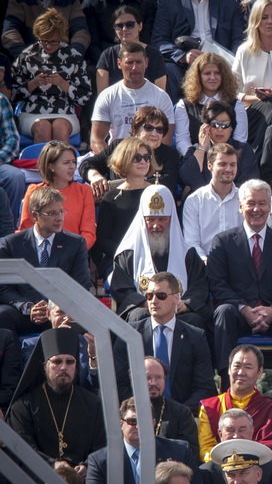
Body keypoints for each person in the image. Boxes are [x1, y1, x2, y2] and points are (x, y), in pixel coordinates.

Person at [207, 179, 272, 373]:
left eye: (262, 203)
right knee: (223, 312)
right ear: (240, 207)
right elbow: (218, 284)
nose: (257, 209)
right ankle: (224, 384)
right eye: (251, 203)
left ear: (270, 206)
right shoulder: (223, 241)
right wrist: (244, 309)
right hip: (238, 314)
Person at [112, 272, 217, 409]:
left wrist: (179, 413)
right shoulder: (129, 335)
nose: (153, 301)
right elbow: (118, 383)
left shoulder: (195, 337)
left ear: (176, 298)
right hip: (138, 415)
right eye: (149, 296)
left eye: (160, 296)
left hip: (183, 416)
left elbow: (204, 386)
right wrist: (140, 409)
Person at [6, 328, 104, 473]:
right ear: (45, 365)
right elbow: (21, 447)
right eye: (57, 361)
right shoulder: (23, 405)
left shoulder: (92, 404)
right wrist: (52, 465)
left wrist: (87, 466)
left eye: (70, 362)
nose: (64, 367)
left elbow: (101, 445)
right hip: (38, 483)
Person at [110, 185, 210, 327]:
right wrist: (147, 303)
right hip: (145, 310)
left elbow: (199, 285)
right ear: (143, 219)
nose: (156, 225)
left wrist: (185, 304)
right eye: (151, 219)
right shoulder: (127, 253)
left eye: (162, 219)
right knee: (138, 316)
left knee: (194, 321)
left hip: (179, 313)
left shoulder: (187, 253)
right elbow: (121, 288)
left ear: (171, 218)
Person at [84, 396, 199, 484]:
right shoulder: (100, 461)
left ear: (154, 423)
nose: (138, 426)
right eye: (133, 421)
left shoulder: (179, 451)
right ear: (121, 423)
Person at [0, 187, 91, 336]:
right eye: (52, 213)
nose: (60, 218)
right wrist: (27, 307)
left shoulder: (76, 243)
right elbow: (4, 288)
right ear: (35, 216)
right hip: (25, 312)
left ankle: (70, 359)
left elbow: (81, 284)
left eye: (62, 211)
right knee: (3, 315)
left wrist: (54, 308)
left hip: (62, 311)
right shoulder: (11, 243)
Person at [151, 0, 245, 101]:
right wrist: (183, 56)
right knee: (169, 69)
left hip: (221, 60)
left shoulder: (230, 1)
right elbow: (159, 42)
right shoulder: (168, 3)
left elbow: (238, 39)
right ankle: (175, 113)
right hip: (186, 62)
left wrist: (231, 60)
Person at [11, 9, 91, 144]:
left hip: (65, 112)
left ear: (61, 37)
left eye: (54, 41)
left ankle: (62, 163)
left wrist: (63, 84)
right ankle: (42, 165)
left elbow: (84, 97)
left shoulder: (74, 57)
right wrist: (33, 84)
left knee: (60, 127)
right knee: (43, 128)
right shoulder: (27, 56)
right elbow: (12, 93)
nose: (48, 46)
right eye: (44, 41)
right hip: (33, 111)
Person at [89, 137, 161, 276]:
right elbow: (103, 239)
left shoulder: (158, 194)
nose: (143, 162)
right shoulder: (111, 197)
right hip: (119, 258)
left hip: (153, 258)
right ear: (125, 159)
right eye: (137, 158)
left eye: (147, 157)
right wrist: (128, 253)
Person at [198, 344, 272, 462]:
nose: (241, 372)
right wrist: (227, 464)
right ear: (228, 369)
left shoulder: (269, 408)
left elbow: (269, 447)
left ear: (259, 372)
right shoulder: (210, 406)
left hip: (255, 471)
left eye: (248, 367)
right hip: (218, 470)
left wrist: (244, 466)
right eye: (236, 366)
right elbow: (206, 449)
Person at [90, 42, 175, 155]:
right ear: (119, 64)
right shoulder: (107, 95)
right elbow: (97, 140)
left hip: (150, 160)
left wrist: (144, 162)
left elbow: (165, 140)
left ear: (146, 62)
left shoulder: (161, 97)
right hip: (117, 158)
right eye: (129, 62)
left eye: (138, 62)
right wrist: (114, 163)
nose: (134, 67)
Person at [81, 105, 179, 200]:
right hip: (116, 203)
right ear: (136, 129)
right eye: (148, 128)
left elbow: (165, 184)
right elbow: (86, 164)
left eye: (159, 130)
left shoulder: (170, 154)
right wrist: (95, 176)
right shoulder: (118, 146)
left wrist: (110, 186)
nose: (154, 133)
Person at [18, 141, 95, 250]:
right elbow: (26, 230)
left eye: (73, 162)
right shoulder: (34, 191)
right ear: (51, 166)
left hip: (73, 255)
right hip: (40, 254)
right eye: (66, 163)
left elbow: (88, 233)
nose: (72, 166)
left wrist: (73, 252)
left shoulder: (84, 191)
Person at [178, 100, 259, 194]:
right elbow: (186, 177)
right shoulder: (195, 150)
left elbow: (249, 184)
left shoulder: (243, 150)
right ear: (206, 127)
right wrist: (202, 148)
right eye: (215, 124)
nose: (220, 129)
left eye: (225, 125)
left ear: (232, 127)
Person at [175, 52, 246, 155]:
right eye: (207, 73)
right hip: (195, 160)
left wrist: (220, 159)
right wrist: (197, 157)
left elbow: (240, 140)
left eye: (217, 73)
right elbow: (182, 141)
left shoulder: (236, 105)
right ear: (198, 76)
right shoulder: (184, 106)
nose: (213, 77)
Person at [183, 143, 243, 262]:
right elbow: (191, 242)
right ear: (209, 165)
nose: (228, 169)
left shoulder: (244, 198)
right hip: (205, 267)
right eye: (222, 164)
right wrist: (207, 263)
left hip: (239, 267)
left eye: (233, 164)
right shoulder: (194, 200)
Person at [2, 0, 90, 58]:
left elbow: (81, 32)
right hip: (29, 62)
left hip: (63, 60)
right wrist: (24, 56)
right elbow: (9, 31)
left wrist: (73, 54)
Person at [95, 6, 166, 94]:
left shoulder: (155, 55)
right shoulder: (107, 56)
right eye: (119, 26)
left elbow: (161, 93)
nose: (124, 29)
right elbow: (102, 95)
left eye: (130, 25)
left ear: (140, 26)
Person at [82, 0, 156, 66]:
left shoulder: (147, 2)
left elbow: (146, 39)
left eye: (130, 25)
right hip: (104, 62)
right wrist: (107, 64)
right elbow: (92, 43)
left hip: (139, 63)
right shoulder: (92, 3)